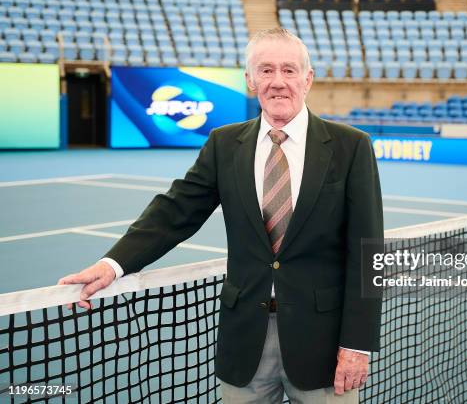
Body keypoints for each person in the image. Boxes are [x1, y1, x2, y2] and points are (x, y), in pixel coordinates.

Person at [58, 28, 384, 403]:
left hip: (325, 345)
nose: (278, 82)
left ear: (308, 79)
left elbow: (367, 253)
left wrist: (357, 345)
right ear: (249, 80)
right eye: (265, 71)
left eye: (289, 71)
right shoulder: (224, 144)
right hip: (245, 340)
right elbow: (175, 211)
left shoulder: (351, 147)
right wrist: (112, 264)